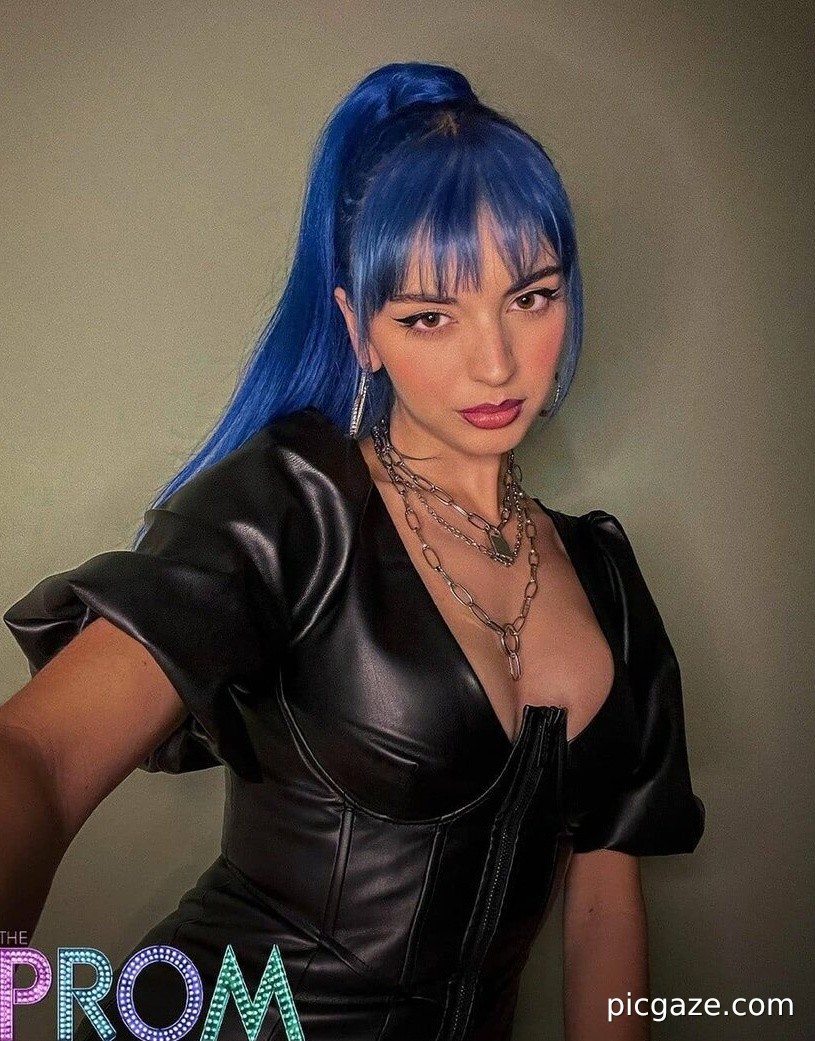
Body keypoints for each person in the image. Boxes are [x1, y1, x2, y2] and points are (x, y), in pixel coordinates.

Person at [0, 61, 705, 1041]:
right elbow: (37, 757)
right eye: (428, 316)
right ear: (358, 330)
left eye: (530, 297)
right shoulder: (293, 504)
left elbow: (599, 908)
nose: (494, 361)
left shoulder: (606, 578)